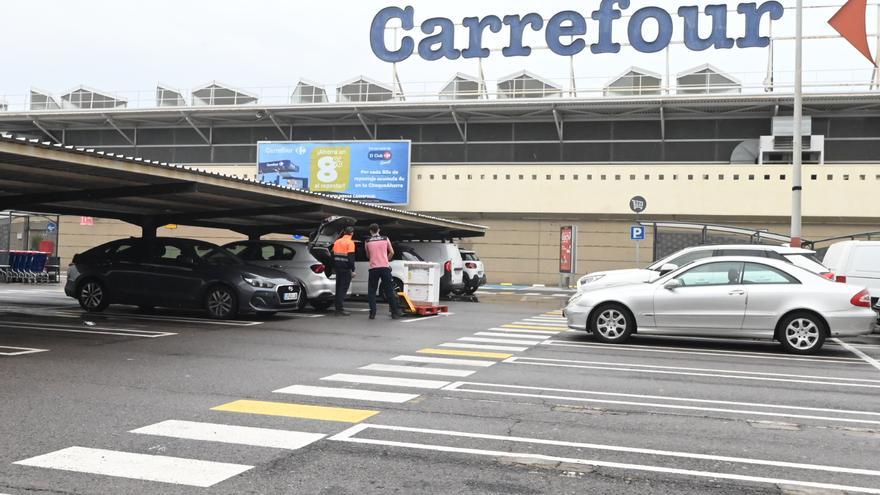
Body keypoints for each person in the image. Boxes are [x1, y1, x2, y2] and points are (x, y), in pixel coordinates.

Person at [364, 223, 402, 320]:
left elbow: (368, 256)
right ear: (379, 230)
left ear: (370, 231)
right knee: (389, 290)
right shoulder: (385, 239)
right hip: (385, 267)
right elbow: (392, 252)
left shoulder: (367, 241)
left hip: (373, 268)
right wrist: (386, 259)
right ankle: (395, 313)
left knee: (372, 291)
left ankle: (372, 313)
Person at [331, 226, 356, 316]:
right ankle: (339, 309)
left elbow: (332, 256)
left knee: (338, 288)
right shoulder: (350, 243)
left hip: (338, 268)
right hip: (346, 269)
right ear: (352, 233)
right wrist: (353, 270)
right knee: (343, 289)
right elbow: (351, 258)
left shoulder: (337, 242)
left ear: (344, 233)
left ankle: (337, 308)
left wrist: (333, 267)